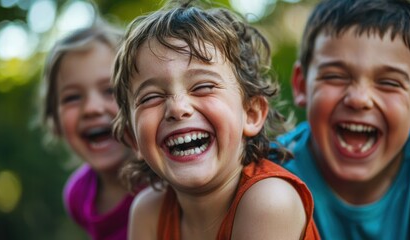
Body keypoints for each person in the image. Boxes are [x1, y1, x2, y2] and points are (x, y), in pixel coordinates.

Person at [111, 0, 320, 239]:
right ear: (133, 139)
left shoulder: (269, 200)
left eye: (203, 86)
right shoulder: (148, 211)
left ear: (251, 114)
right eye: (151, 97)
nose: (178, 108)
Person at [274, 0, 410, 239]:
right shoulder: (271, 176)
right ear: (302, 86)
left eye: (389, 83)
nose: (359, 99)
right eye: (335, 76)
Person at [39, 19, 146, 240]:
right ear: (55, 121)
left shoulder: (168, 181)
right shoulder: (78, 195)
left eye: (110, 90)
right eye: (72, 97)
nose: (91, 108)